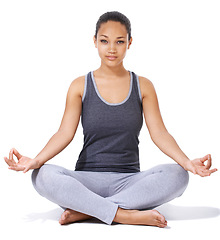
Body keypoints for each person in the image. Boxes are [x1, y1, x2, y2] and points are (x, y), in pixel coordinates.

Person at [4, 11, 217, 228]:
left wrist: (187, 162)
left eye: (120, 41)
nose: (112, 48)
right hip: (86, 181)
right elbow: (64, 133)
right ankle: (124, 214)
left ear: (129, 43)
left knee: (179, 175)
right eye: (105, 41)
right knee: (42, 176)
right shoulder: (80, 85)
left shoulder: (143, 86)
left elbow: (160, 133)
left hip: (129, 182)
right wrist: (36, 161)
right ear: (95, 41)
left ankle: (87, 211)